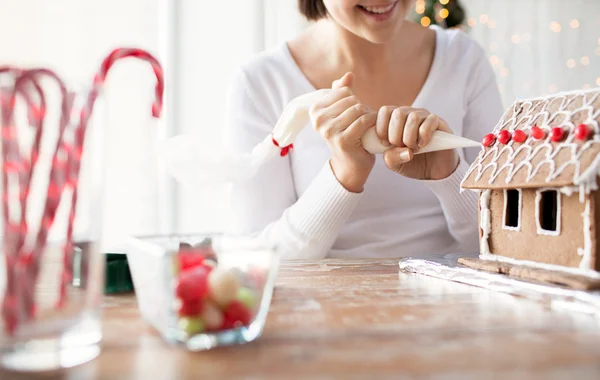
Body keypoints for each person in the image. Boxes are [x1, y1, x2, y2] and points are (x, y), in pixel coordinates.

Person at [224, 0, 504, 259]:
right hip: (321, 307)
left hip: (454, 303)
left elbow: (508, 244)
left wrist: (450, 175)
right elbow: (255, 260)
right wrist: (343, 175)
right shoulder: (261, 82)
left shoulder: (463, 59)